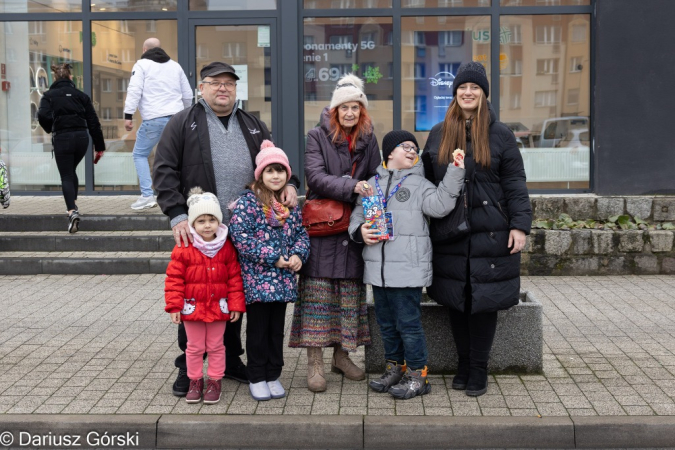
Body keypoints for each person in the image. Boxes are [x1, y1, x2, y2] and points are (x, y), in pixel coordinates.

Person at [153, 61, 300, 397]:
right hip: (203, 230)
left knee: (232, 297)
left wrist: (290, 183)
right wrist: (176, 214)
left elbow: (273, 163)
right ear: (201, 88)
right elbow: (163, 169)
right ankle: (188, 369)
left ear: (236, 89)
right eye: (215, 83)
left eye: (229, 84)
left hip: (248, 229)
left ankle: (230, 361)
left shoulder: (252, 124)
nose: (223, 88)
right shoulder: (182, 122)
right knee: (196, 295)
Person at [421, 61, 531, 397]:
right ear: (455, 94)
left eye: (475, 88)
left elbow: (515, 182)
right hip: (450, 230)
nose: (468, 93)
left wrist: (520, 226)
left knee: (483, 300)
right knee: (457, 298)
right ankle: (464, 363)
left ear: (483, 94)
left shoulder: (500, 134)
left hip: (491, 231)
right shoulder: (439, 132)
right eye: (462, 88)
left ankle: (479, 368)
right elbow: (426, 180)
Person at [349, 130, 465, 399]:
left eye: (415, 148)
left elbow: (440, 206)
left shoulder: (420, 184)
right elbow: (356, 217)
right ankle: (395, 367)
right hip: (379, 272)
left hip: (408, 271)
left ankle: (418, 375)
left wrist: (455, 171)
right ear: (389, 152)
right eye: (406, 147)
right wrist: (360, 232)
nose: (413, 151)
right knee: (387, 325)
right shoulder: (370, 185)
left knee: (409, 326)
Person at [289, 73, 381, 392]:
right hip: (323, 229)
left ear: (362, 110)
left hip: (353, 228)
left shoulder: (369, 139)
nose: (350, 113)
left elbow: (376, 175)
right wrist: (352, 186)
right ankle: (315, 364)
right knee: (317, 298)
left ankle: (341, 357)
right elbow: (314, 177)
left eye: (356, 107)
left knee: (348, 300)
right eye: (345, 107)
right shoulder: (317, 136)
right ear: (334, 110)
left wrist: (369, 195)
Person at [229, 141, 310, 401]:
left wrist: (298, 254)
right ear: (260, 175)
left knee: (276, 330)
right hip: (258, 280)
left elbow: (301, 234)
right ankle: (256, 375)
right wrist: (274, 258)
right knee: (257, 330)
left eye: (280, 171)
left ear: (287, 174)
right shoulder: (248, 203)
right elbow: (241, 237)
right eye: (269, 171)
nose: (275, 176)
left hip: (283, 281)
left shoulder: (289, 205)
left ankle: (273, 373)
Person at [164, 187, 245, 405]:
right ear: (192, 224)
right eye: (201, 221)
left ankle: (215, 381)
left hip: (219, 308)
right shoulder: (184, 248)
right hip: (193, 308)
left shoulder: (226, 247)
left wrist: (236, 304)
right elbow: (174, 279)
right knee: (195, 347)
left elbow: (235, 279)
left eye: (211, 219)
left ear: (218, 221)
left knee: (217, 346)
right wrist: (174, 306)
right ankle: (195, 380)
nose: (207, 225)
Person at [124, 38, 192, 211]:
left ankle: (147, 195)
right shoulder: (175, 66)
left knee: (140, 154)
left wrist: (128, 115)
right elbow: (187, 94)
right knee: (178, 157)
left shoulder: (141, 64)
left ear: (144, 49)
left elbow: (134, 90)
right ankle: (183, 194)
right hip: (177, 119)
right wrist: (187, 114)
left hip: (154, 119)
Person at [37, 63, 105, 233]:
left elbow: (42, 115)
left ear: (55, 77)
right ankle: (73, 202)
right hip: (82, 139)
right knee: (71, 170)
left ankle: (72, 212)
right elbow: (93, 122)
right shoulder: (81, 96)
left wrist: (51, 126)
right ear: (69, 77)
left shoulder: (48, 96)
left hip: (63, 138)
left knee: (66, 174)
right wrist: (100, 146)